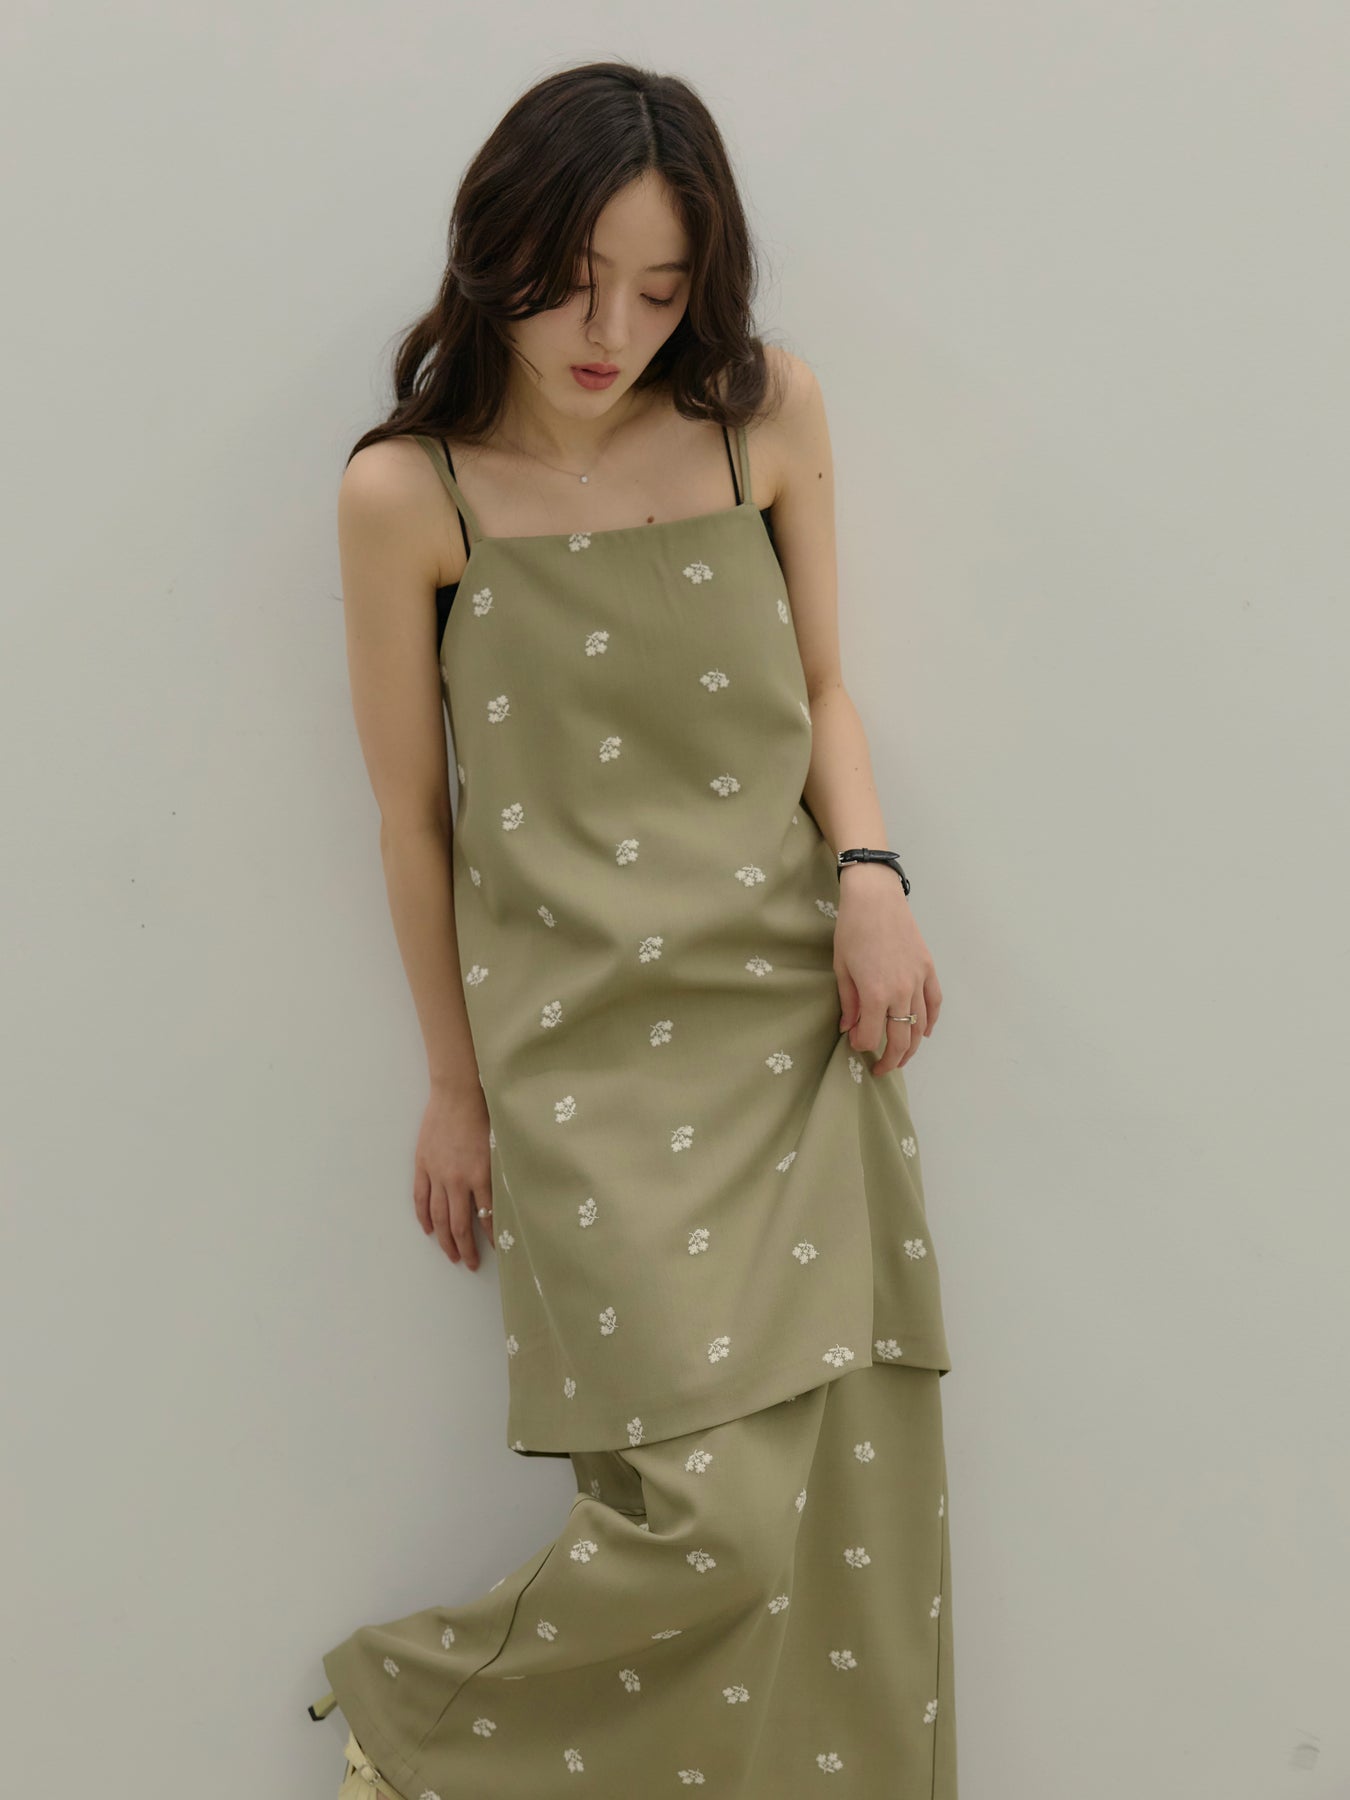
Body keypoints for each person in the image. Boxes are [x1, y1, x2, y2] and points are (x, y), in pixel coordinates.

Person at [308, 57, 957, 1800]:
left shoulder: (763, 418)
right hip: (580, 1062)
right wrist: (455, 1086)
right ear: (494, 249)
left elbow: (821, 684)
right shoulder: (412, 496)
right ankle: (410, 1730)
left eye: (660, 292)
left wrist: (872, 877)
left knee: (847, 1513)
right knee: (711, 1527)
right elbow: (412, 819)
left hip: (794, 1027)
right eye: (571, 281)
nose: (609, 333)